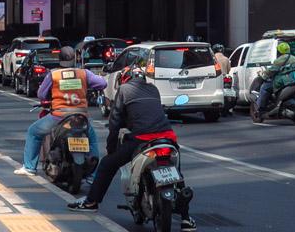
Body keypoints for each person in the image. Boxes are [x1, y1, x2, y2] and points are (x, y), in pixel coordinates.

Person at [69, 53, 195, 231]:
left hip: (143, 139)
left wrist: (111, 149)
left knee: (107, 164)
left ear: (125, 79)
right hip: (167, 138)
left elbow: (115, 123)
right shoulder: (153, 89)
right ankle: (186, 218)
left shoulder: (124, 90)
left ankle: (91, 202)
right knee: (177, 176)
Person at [19, 47, 105, 183]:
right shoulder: (84, 73)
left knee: (33, 132)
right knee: (92, 141)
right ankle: (92, 176)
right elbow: (103, 83)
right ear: (75, 59)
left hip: (58, 117)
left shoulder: (54, 75)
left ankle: (29, 167)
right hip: (81, 117)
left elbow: (41, 94)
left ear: (60, 59)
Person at [252, 41, 295, 120]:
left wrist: (264, 76)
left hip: (282, 81)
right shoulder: (294, 58)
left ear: (280, 51)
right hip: (294, 80)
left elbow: (272, 70)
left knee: (264, 88)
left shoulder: (280, 59)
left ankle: (261, 109)